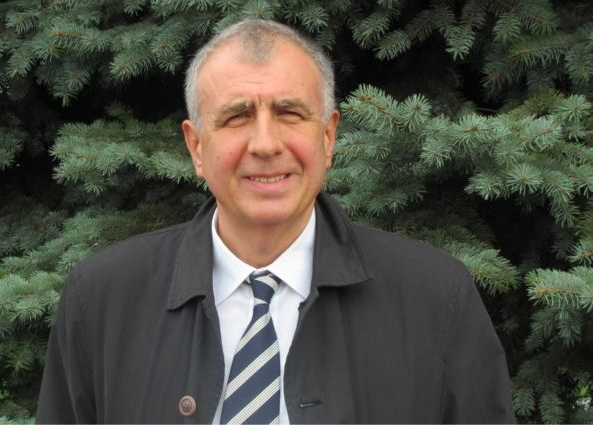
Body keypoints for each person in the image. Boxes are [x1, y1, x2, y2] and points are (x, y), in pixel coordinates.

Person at [36, 19, 515, 424]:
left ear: (328, 137)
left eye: (289, 113)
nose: (265, 144)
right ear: (196, 146)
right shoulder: (101, 299)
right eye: (237, 117)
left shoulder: (436, 298)